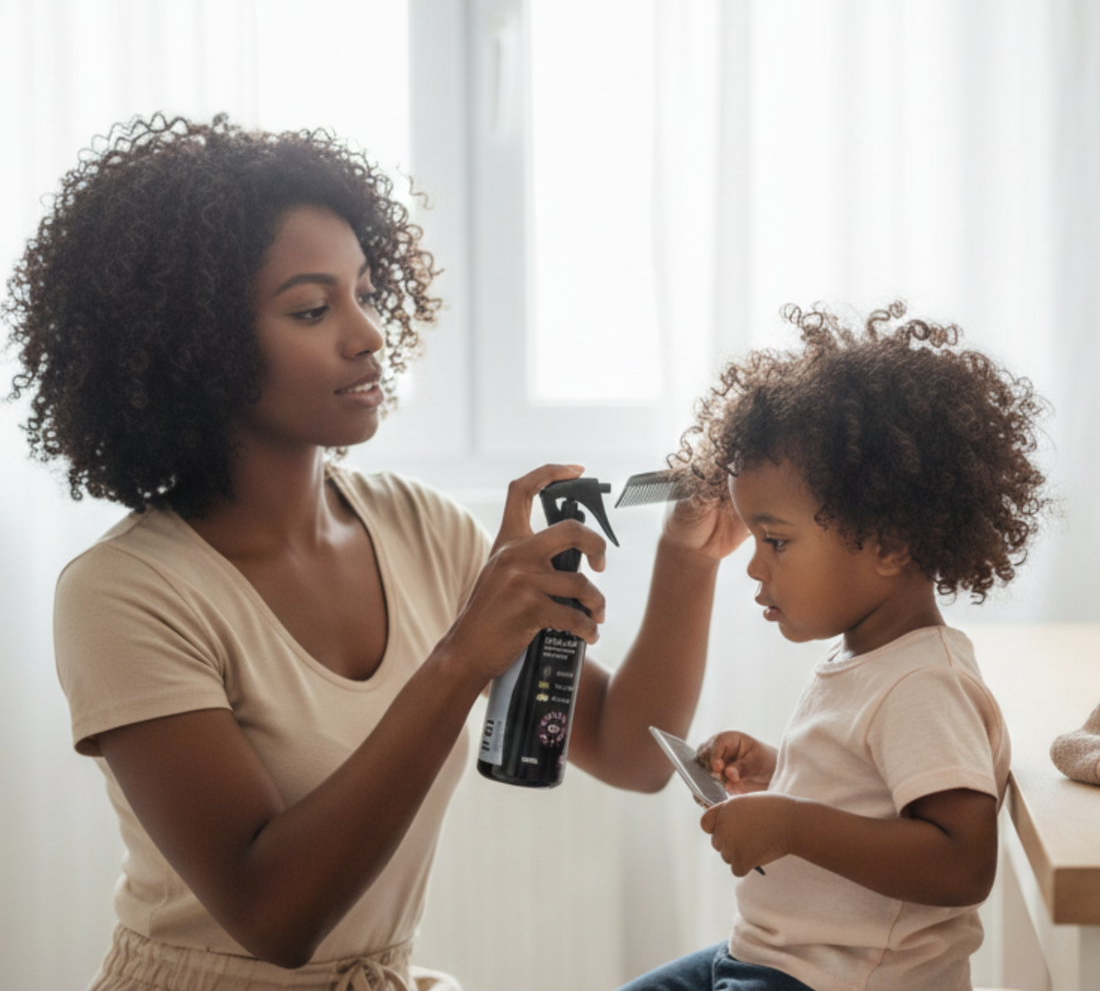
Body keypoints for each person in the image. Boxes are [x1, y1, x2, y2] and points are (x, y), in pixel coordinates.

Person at [3, 113, 747, 991]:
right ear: (192, 348)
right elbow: (276, 915)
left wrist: (689, 562)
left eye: (364, 291)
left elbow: (625, 753)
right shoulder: (123, 592)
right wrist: (462, 654)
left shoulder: (422, 530)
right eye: (314, 309)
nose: (369, 334)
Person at [616, 303, 1052, 991]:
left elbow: (963, 861)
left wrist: (792, 824)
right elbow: (871, 788)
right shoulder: (868, 660)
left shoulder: (923, 685)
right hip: (771, 958)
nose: (755, 566)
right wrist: (779, 772)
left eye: (776, 541)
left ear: (888, 543)